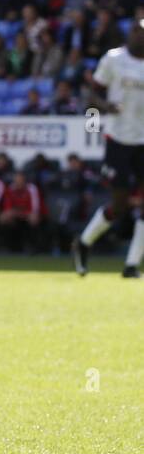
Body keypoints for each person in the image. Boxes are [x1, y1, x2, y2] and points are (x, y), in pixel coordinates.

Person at [72, 20, 144, 278]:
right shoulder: (113, 59)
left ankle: (132, 265)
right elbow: (91, 96)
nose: (140, 36)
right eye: (137, 30)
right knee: (120, 205)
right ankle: (83, 243)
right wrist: (105, 106)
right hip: (119, 140)